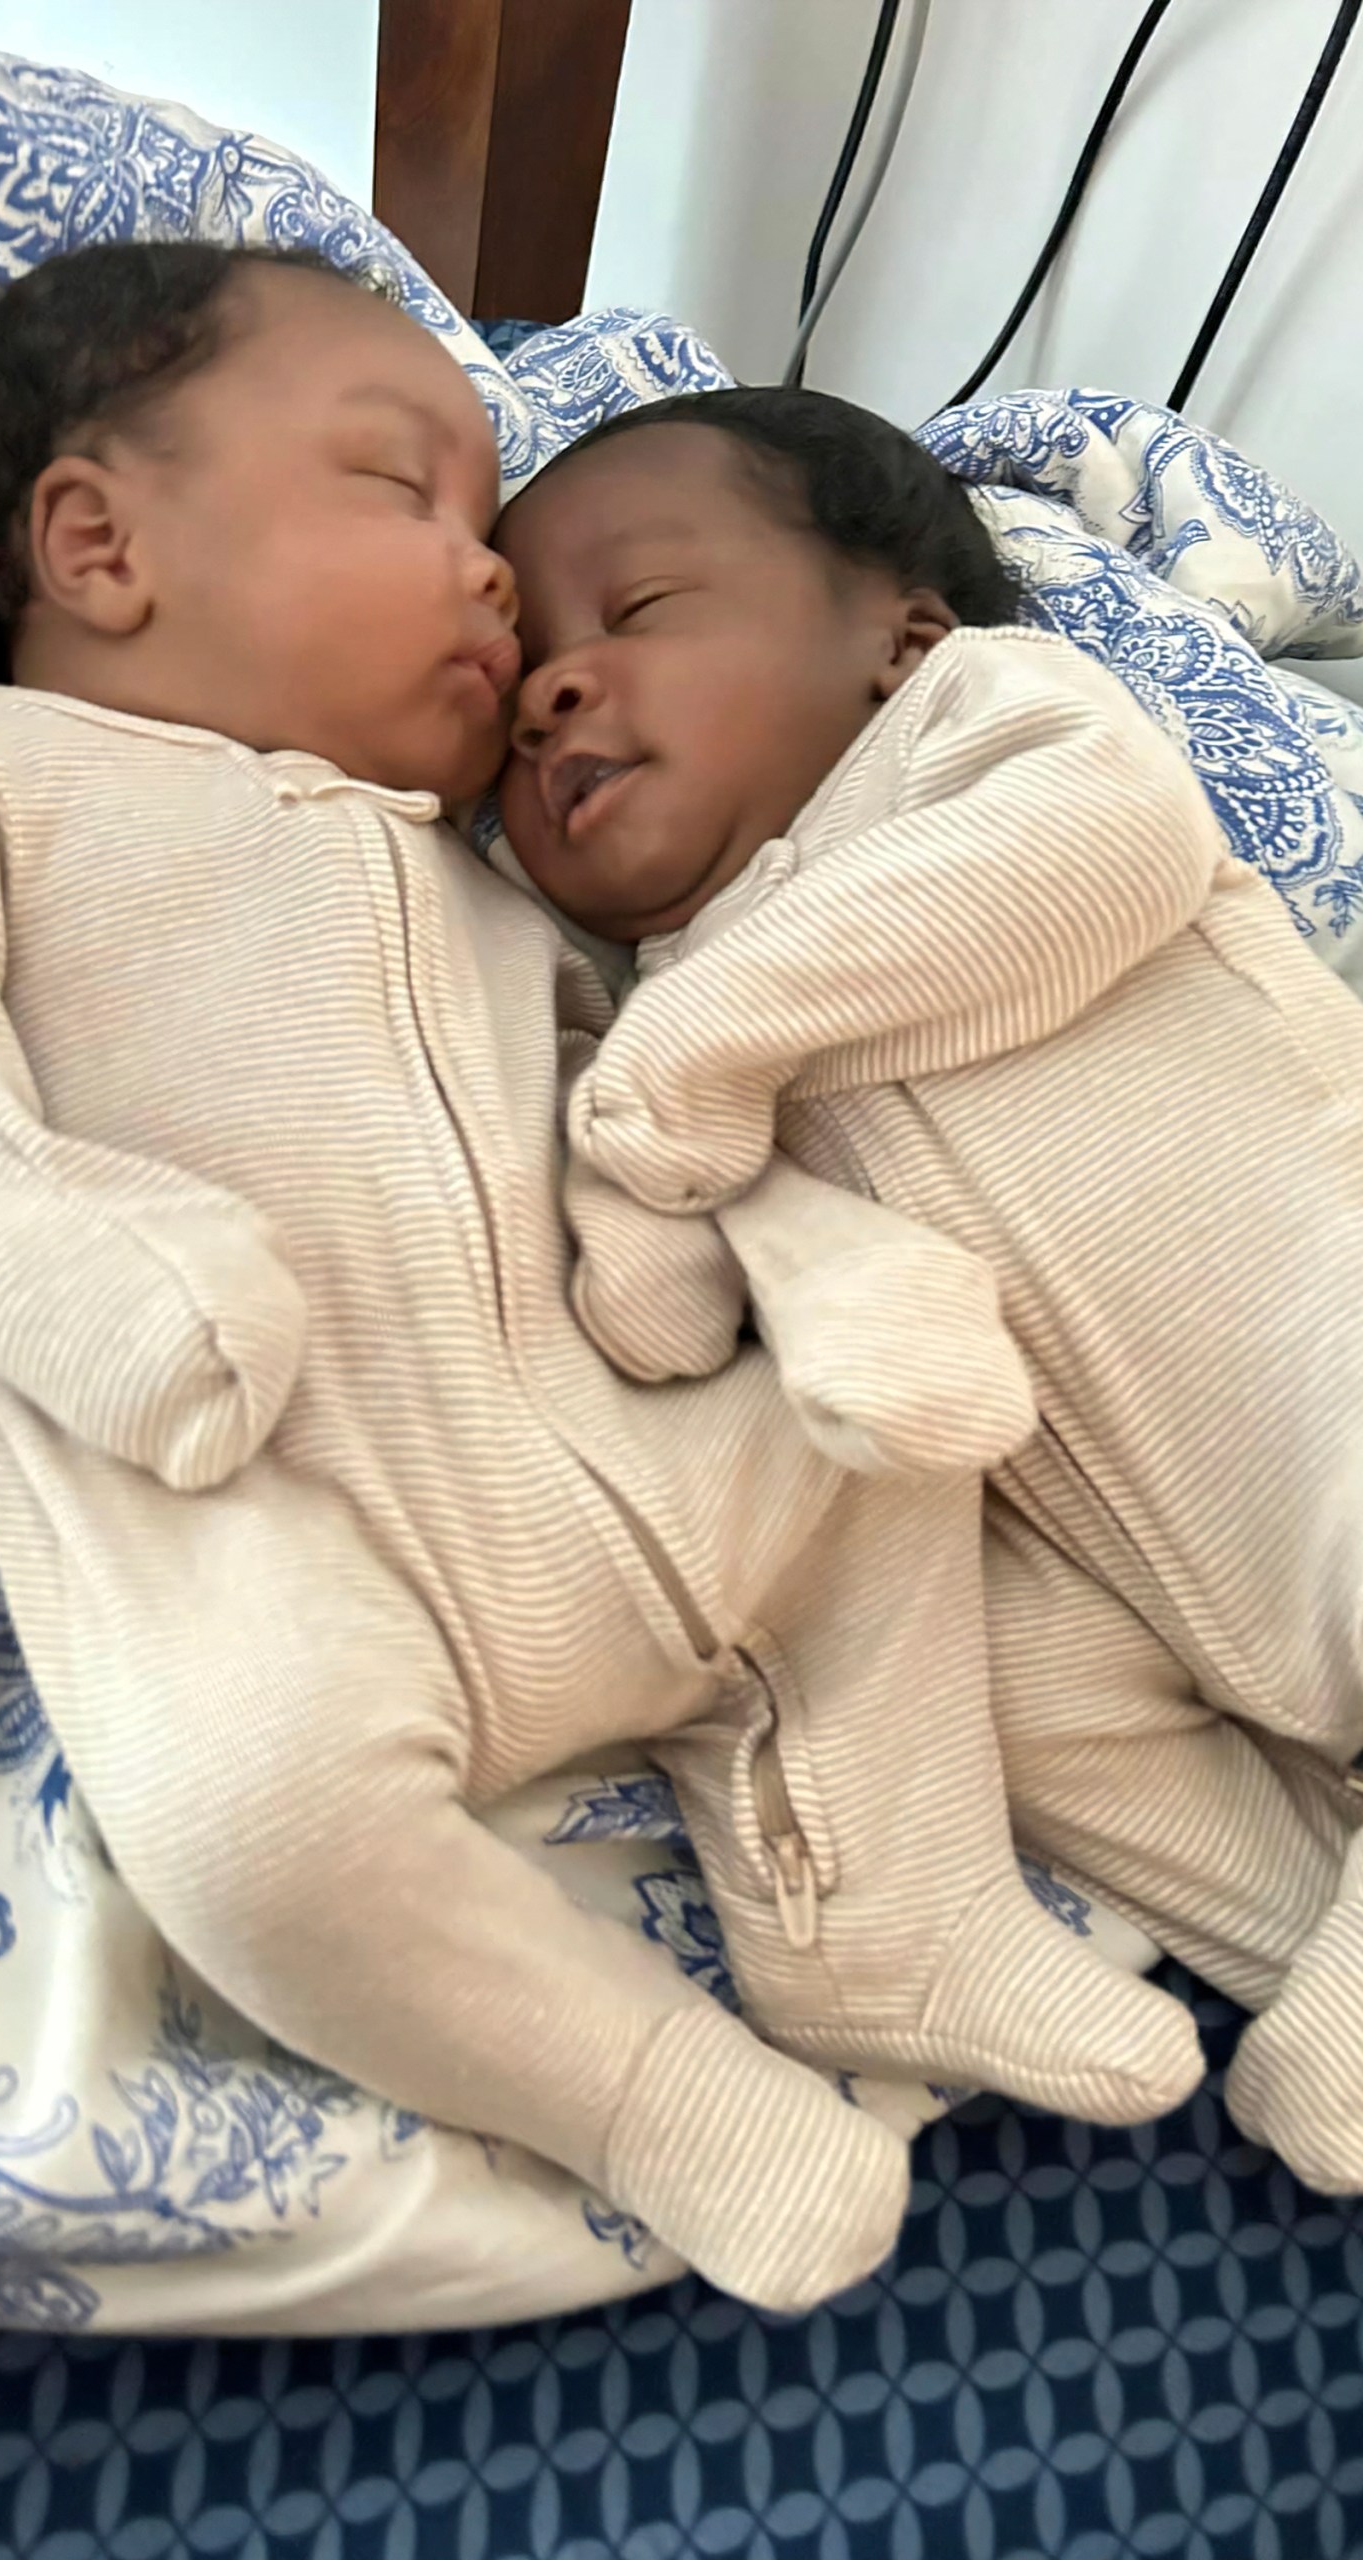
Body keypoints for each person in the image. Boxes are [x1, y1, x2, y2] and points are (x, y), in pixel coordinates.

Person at [0, 248, 1207, 2311]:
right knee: (245, 1806)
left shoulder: (492, 878)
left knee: (891, 1443)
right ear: (97, 542)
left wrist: (811, 1260)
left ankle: (895, 1894)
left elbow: (643, 1114)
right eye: (402, 488)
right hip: (270, 1498)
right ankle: (645, 2088)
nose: (497, 575)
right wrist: (68, 1260)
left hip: (622, 1438)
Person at [497, 387, 1363, 2200]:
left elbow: (1099, 850)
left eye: (636, 613)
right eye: (520, 685)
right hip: (1096, 1557)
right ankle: (1308, 1942)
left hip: (1323, 1353)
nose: (552, 690)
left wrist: (693, 1065)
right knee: (1016, 1705)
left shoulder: (994, 727)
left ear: (894, 634)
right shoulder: (649, 988)